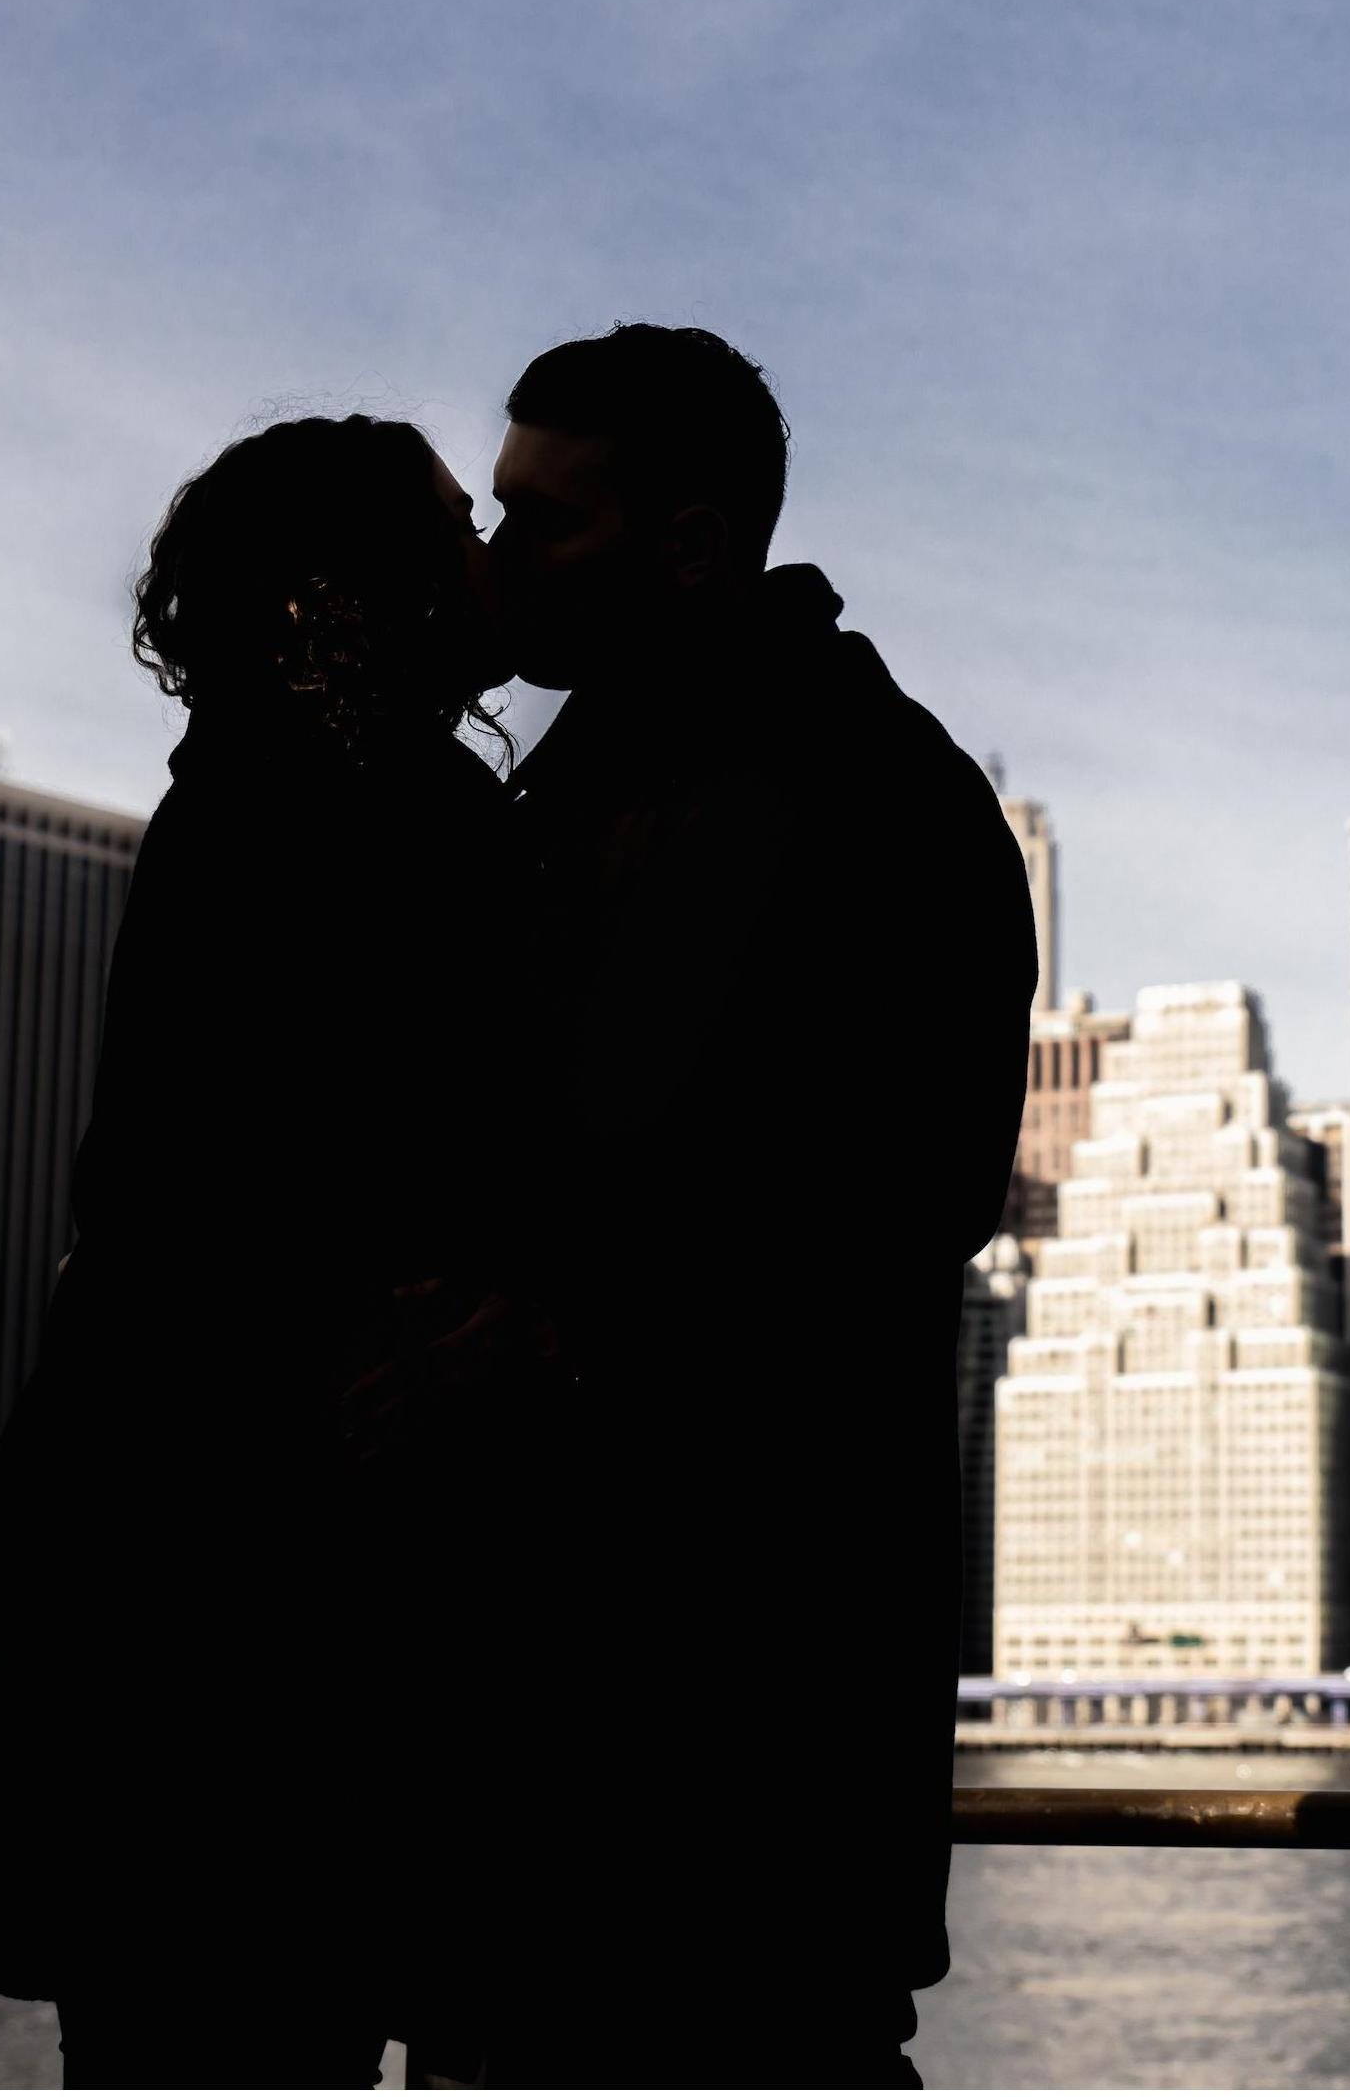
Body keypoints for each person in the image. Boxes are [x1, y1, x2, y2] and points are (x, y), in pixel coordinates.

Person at [462, 324, 1036, 2087]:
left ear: (693, 545)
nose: (493, 558)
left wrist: (553, 1329)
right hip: (542, 1738)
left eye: (540, 520)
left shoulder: (882, 796)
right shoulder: (566, 792)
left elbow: (910, 1193)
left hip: (745, 1729)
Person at [0, 417, 516, 2088]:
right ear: (354, 588)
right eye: (455, 524)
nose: (483, 557)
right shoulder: (366, 809)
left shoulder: (264, 791)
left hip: (167, 1552)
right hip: (241, 1581)